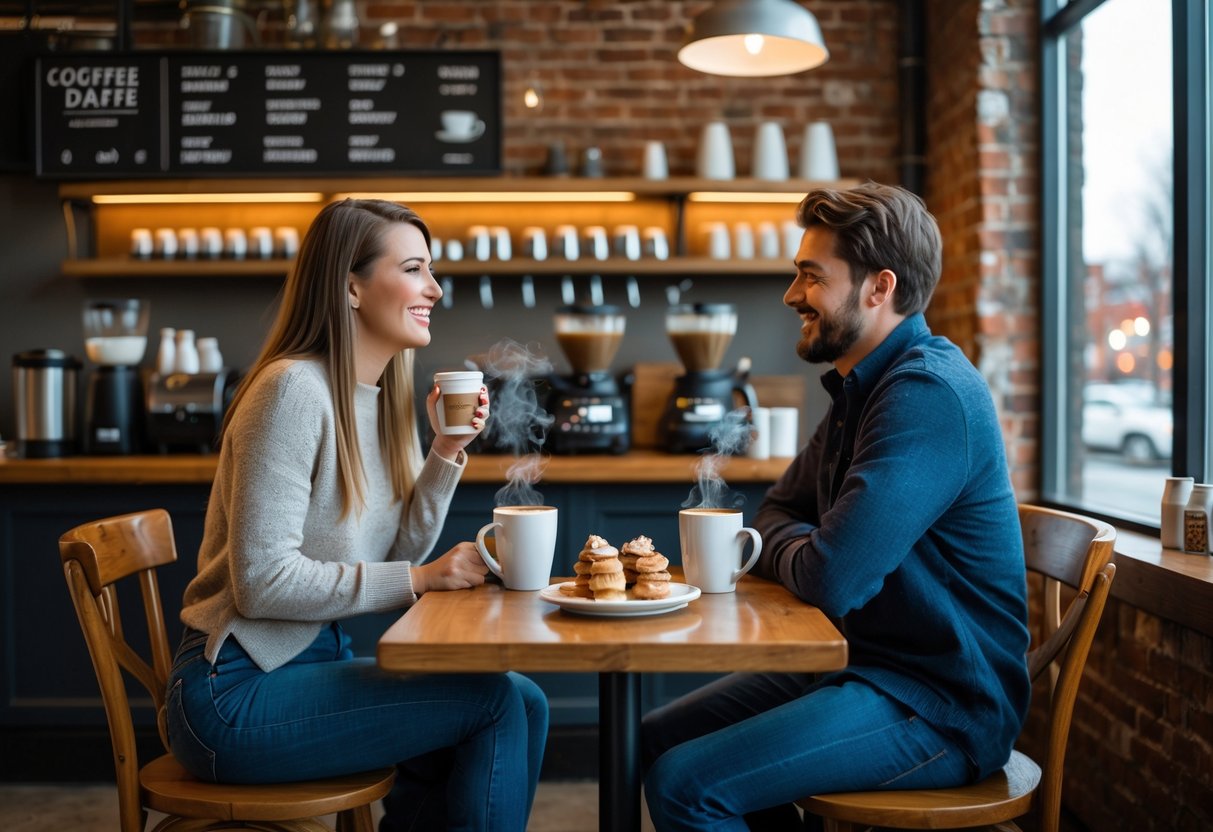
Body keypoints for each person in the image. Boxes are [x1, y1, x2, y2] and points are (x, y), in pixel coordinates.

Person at [642, 183, 1030, 831]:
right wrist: (807, 543)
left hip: (939, 703)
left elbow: (831, 578)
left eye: (810, 276)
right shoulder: (861, 388)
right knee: (650, 738)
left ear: (878, 289)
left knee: (686, 785)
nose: (792, 295)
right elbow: (772, 514)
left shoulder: (924, 394)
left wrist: (804, 547)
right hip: (859, 667)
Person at [165, 198, 548, 832]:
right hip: (230, 695)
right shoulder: (291, 391)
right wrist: (420, 582)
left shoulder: (381, 397)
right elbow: (263, 583)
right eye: (415, 268)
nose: (435, 288)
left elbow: (400, 550)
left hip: (312, 666)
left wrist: (445, 452)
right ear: (350, 284)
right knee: (495, 701)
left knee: (524, 699)